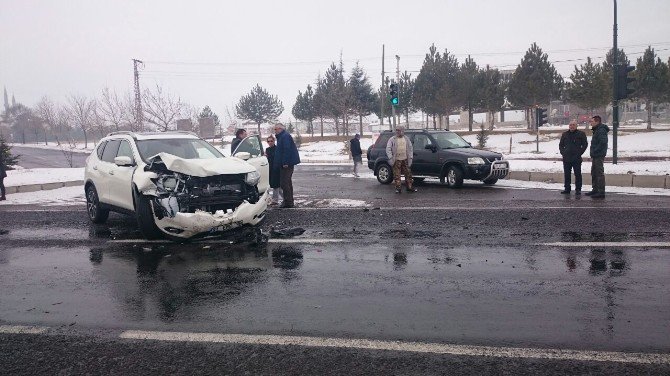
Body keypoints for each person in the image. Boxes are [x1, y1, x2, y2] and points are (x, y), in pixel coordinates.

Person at [273, 123, 301, 208]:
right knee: (287, 182)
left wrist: (285, 162)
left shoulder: (284, 136)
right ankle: (289, 201)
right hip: (285, 163)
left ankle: (288, 202)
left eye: (276, 129)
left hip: (286, 164)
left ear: (280, 129)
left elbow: (287, 149)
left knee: (284, 183)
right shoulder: (282, 136)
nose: (275, 131)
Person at [558, 120, 588, 195]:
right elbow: (561, 145)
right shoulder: (565, 134)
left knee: (577, 174)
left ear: (576, 126)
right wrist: (563, 153)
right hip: (566, 158)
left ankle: (578, 189)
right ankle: (567, 189)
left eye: (573, 125)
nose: (572, 126)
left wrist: (579, 153)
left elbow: (585, 145)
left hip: (576, 158)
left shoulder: (581, 134)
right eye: (570, 125)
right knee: (567, 174)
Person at [385, 126, 416, 194]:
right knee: (397, 174)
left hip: (405, 159)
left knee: (408, 173)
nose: (397, 132)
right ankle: (398, 188)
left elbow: (410, 148)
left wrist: (410, 157)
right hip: (396, 160)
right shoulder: (392, 139)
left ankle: (409, 187)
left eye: (399, 130)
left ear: (403, 131)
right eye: (396, 130)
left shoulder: (406, 138)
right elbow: (388, 148)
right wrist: (391, 157)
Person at [586, 115, 610, 199]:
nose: (591, 123)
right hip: (596, 155)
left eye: (592, 121)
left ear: (597, 122)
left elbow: (603, 142)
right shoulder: (597, 130)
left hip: (598, 155)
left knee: (599, 173)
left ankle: (601, 191)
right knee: (594, 172)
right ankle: (595, 189)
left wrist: (596, 150)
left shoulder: (601, 130)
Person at [264, 135, 283, 206]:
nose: (270, 142)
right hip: (270, 168)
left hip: (277, 168)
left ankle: (275, 200)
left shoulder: (277, 149)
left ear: (274, 141)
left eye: (271, 141)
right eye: (268, 141)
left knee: (276, 184)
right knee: (278, 185)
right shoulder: (267, 149)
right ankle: (286, 198)